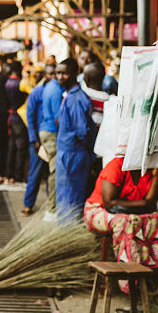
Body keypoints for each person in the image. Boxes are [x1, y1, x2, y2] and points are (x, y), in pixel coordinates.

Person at [84, 157, 158, 291]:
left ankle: (149, 275)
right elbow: (109, 203)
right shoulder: (117, 165)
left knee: (153, 220)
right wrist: (144, 205)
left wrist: (156, 176)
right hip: (97, 211)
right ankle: (130, 282)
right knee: (126, 223)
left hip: (132, 215)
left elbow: (150, 203)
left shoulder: (151, 171)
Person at [55, 58, 97, 219]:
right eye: (58, 73)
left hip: (74, 154)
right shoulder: (69, 96)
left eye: (65, 73)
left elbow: (82, 131)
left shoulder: (76, 99)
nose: (60, 77)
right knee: (65, 196)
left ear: (75, 74)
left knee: (71, 199)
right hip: (68, 153)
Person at [21, 64, 55, 216]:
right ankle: (29, 204)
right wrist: (34, 139)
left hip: (54, 139)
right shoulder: (37, 92)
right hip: (39, 140)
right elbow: (30, 117)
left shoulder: (60, 92)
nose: (54, 77)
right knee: (35, 172)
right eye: (51, 74)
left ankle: (51, 204)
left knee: (52, 174)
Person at [38, 62, 65, 211]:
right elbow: (58, 118)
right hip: (51, 131)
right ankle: (52, 207)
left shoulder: (50, 87)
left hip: (46, 130)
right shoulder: (55, 90)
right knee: (54, 171)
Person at [5, 61, 28, 183]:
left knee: (12, 146)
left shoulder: (7, 83)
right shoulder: (21, 83)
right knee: (20, 146)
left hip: (11, 115)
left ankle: (9, 174)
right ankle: (18, 175)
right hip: (20, 116)